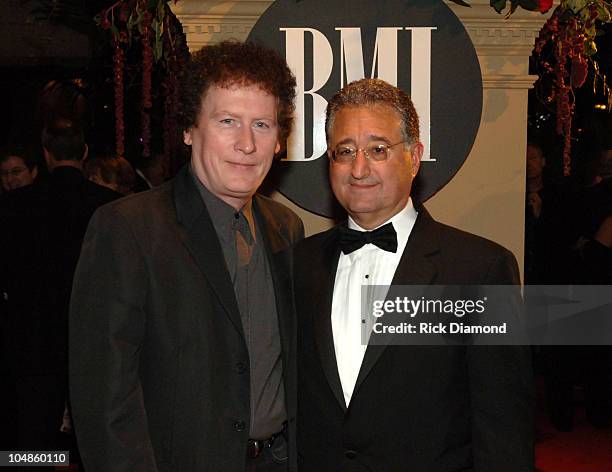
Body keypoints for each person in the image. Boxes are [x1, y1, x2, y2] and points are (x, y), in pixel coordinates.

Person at [69, 41, 303, 472]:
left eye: (262, 125)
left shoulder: (286, 229)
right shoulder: (127, 229)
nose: (246, 144)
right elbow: (103, 396)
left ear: (278, 142)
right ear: (189, 130)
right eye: (228, 121)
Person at [293, 78, 534, 471]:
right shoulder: (298, 263)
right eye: (345, 151)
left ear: (415, 156)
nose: (359, 168)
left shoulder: (480, 269)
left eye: (378, 149)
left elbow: (503, 425)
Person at [0, 119, 120, 456]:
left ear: (46, 154)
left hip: (31, 341)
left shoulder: (14, 205)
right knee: (95, 441)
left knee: (30, 441)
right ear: (84, 152)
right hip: (96, 339)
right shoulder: (110, 206)